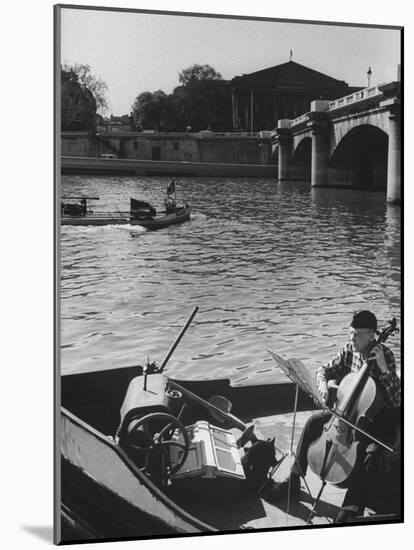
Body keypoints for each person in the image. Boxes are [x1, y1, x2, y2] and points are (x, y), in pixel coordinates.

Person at [268, 310, 401, 523]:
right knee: (313, 422)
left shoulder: (386, 355)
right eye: (351, 333)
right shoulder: (349, 349)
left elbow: (397, 400)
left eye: (357, 334)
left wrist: (384, 370)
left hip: (375, 420)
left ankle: (351, 508)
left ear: (372, 334)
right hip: (347, 414)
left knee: (370, 454)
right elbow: (324, 370)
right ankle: (293, 480)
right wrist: (322, 385)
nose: (352, 338)